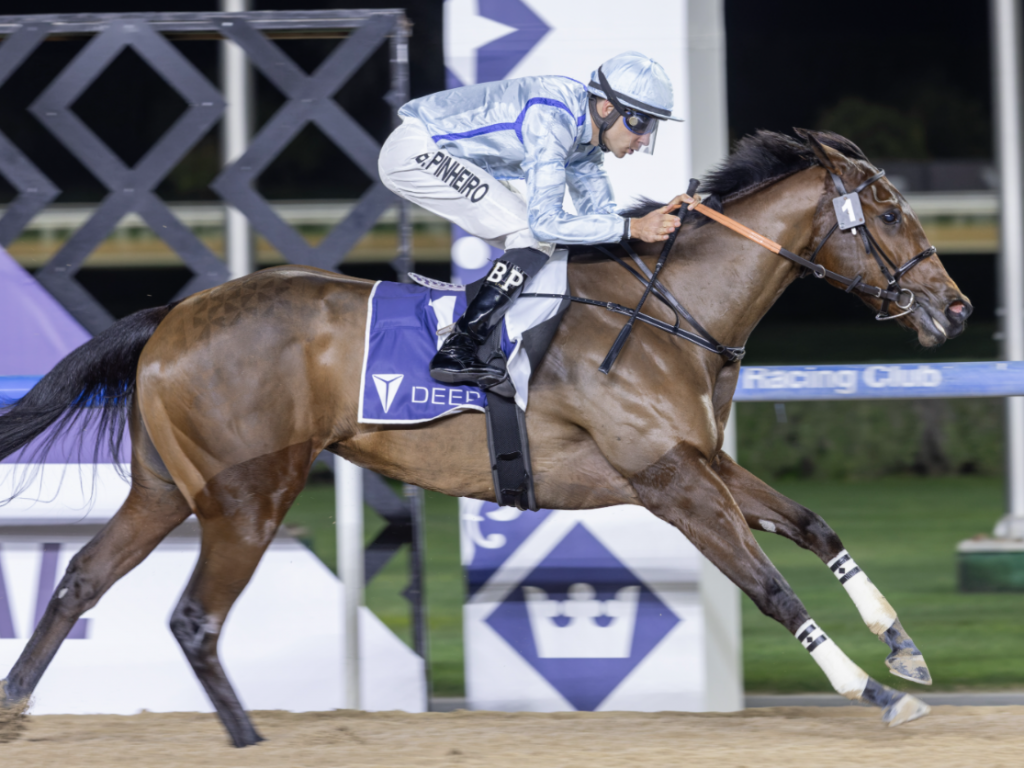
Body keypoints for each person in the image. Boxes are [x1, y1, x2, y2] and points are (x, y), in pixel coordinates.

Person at [378, 51, 692, 388]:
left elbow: (602, 222)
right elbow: (546, 224)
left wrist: (668, 219)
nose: (644, 138)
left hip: (445, 154)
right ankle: (458, 348)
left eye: (651, 126)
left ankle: (490, 336)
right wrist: (634, 227)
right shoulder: (552, 118)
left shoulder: (587, 143)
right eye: (640, 123)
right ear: (606, 108)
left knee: (551, 246)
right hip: (417, 152)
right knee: (533, 235)